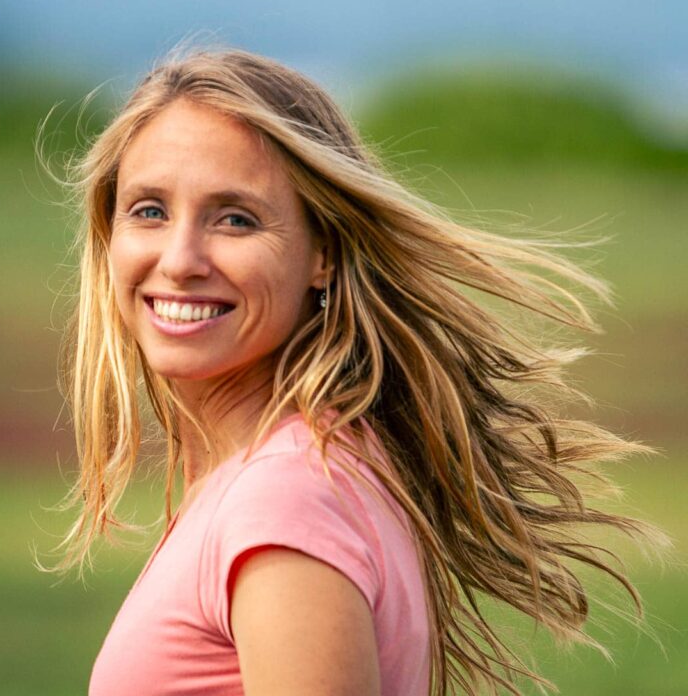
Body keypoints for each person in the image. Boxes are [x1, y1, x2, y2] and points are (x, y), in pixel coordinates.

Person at [49, 47, 664, 696]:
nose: (180, 260)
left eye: (235, 219)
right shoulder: (309, 470)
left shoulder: (283, 502)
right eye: (149, 210)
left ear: (324, 253)